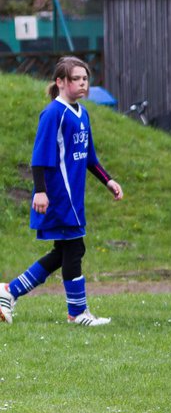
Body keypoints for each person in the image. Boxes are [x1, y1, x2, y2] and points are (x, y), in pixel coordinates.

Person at [0, 56, 124, 327]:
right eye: (76, 79)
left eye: (85, 78)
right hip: (58, 197)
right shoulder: (53, 113)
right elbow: (38, 158)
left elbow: (89, 157)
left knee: (64, 251)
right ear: (60, 82)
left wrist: (109, 181)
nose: (83, 83)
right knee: (74, 248)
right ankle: (77, 313)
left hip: (74, 200)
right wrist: (40, 192)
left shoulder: (83, 113)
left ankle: (10, 291)